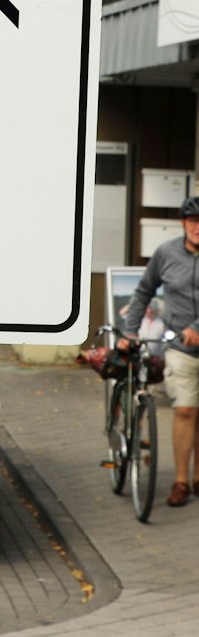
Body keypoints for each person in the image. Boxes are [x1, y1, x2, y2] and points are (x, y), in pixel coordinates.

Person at [121, 194, 199, 506]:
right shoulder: (166, 253)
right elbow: (143, 291)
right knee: (185, 409)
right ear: (183, 223)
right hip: (180, 346)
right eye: (193, 221)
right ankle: (181, 480)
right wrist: (129, 330)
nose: (197, 227)